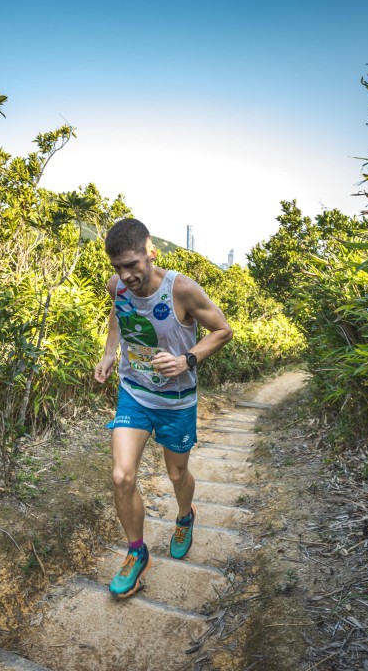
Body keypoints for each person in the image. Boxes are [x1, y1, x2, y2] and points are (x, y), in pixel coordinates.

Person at [94, 218, 233, 598]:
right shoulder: (117, 286)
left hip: (177, 402)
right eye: (118, 268)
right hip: (134, 393)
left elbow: (223, 330)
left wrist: (187, 359)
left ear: (150, 254)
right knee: (122, 476)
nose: (126, 275)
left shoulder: (182, 290)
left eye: (132, 265)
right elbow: (118, 316)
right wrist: (109, 354)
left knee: (176, 473)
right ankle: (137, 552)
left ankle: (185, 516)